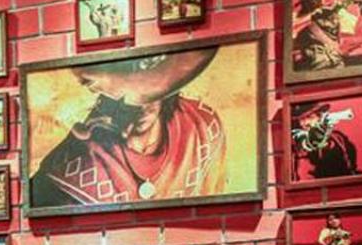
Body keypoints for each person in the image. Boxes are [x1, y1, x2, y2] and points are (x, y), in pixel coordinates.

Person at [29, 47, 228, 209]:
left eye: (148, 92)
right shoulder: (75, 164)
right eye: (127, 99)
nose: (141, 107)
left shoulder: (200, 126)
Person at [291, 103, 360, 179]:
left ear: (319, 117)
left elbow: (348, 165)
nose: (305, 123)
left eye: (310, 117)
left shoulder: (337, 139)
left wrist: (325, 143)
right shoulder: (295, 138)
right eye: (301, 119)